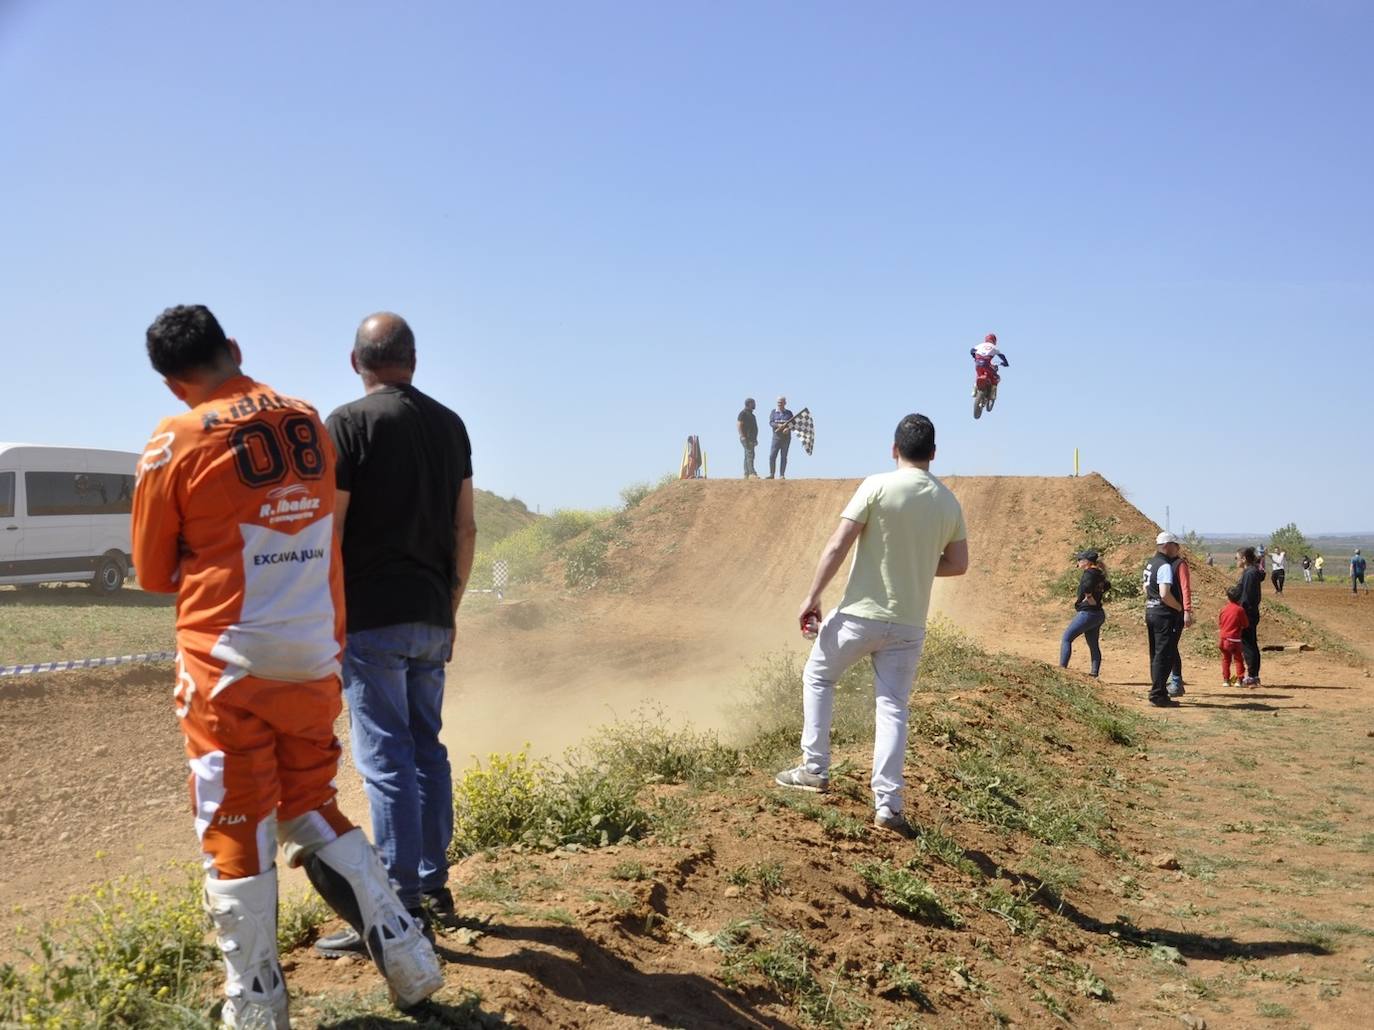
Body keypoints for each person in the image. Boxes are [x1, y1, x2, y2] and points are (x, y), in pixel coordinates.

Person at [131, 305, 442, 1027]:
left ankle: (257, 1004)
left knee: (232, 824)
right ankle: (408, 955)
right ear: (233, 349)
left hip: (228, 661)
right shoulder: (306, 417)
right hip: (314, 653)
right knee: (309, 804)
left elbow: (151, 572)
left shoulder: (174, 436)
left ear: (175, 383)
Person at [316, 312, 477, 959]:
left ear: (356, 362)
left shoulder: (348, 424)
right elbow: (465, 528)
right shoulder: (451, 425)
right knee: (426, 749)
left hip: (372, 615)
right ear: (414, 360)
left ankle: (397, 906)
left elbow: (331, 531)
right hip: (433, 611)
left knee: (385, 760)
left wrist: (326, 615)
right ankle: (434, 888)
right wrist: (452, 604)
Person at [774, 413, 968, 833]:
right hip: (908, 624)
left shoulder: (876, 485)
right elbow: (958, 564)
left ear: (894, 449)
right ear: (933, 454)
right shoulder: (948, 501)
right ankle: (889, 806)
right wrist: (915, 561)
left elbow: (838, 543)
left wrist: (812, 596)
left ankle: (814, 768)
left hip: (860, 615)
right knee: (893, 706)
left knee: (819, 677)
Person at [1143, 532, 1186, 707]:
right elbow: (1165, 594)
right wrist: (1178, 607)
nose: (1178, 549)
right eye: (1176, 545)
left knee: (1155, 653)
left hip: (1150, 611)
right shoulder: (1165, 566)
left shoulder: (1150, 564)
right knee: (1165, 654)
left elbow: (1145, 588)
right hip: (1163, 614)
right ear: (1167, 546)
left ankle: (1157, 690)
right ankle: (1158, 695)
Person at [1059, 550, 1109, 677]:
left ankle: (1061, 669)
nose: (1078, 562)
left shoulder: (1089, 573)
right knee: (1093, 645)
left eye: (1080, 560)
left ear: (1087, 562)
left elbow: (1087, 587)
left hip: (1087, 614)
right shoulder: (1099, 573)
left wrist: (1089, 596)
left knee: (1066, 638)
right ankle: (1094, 673)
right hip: (1098, 614)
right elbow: (1107, 586)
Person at [1235, 546, 1265, 686]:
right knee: (1250, 643)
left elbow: (1246, 596)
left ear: (1244, 559)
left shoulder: (1249, 574)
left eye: (1237, 558)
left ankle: (1252, 676)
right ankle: (1254, 675)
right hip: (1251, 612)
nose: (1236, 561)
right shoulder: (1251, 572)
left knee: (1248, 645)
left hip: (1247, 613)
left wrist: (1240, 612)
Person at [1167, 551, 1195, 696]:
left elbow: (1185, 588)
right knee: (1167, 647)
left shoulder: (1179, 564)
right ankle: (1169, 680)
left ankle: (1177, 682)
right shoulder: (1162, 563)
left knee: (1171, 646)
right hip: (1165, 613)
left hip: (1177, 613)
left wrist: (1187, 611)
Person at [1218, 585, 1250, 687]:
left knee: (1226, 659)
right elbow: (1245, 624)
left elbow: (1220, 623)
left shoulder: (1223, 609)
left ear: (1228, 597)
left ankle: (1226, 680)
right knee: (1238, 659)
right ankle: (1239, 680)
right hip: (1235, 639)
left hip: (1224, 639)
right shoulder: (1240, 610)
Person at [970, 333, 1010, 399]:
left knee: (979, 375)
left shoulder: (980, 345)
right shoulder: (994, 347)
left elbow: (972, 350)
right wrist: (1006, 363)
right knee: (996, 377)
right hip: (986, 364)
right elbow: (1002, 356)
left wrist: (974, 357)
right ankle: (992, 394)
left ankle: (974, 389)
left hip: (977, 364)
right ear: (994, 340)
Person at [768, 396, 794, 479]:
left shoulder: (789, 413)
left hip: (786, 438)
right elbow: (771, 423)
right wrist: (778, 425)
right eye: (778, 402)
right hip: (776, 438)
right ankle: (772, 474)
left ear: (785, 403)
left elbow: (793, 423)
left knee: (783, 456)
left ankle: (782, 475)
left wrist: (788, 428)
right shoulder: (773, 412)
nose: (779, 404)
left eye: (781, 402)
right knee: (772, 456)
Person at [737, 398, 759, 478]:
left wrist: (755, 439)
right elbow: (739, 424)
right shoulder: (743, 413)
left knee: (747, 455)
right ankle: (752, 473)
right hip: (746, 438)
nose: (755, 405)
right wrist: (742, 436)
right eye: (753, 403)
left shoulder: (752, 415)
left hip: (752, 438)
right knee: (750, 454)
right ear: (749, 404)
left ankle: (746, 473)